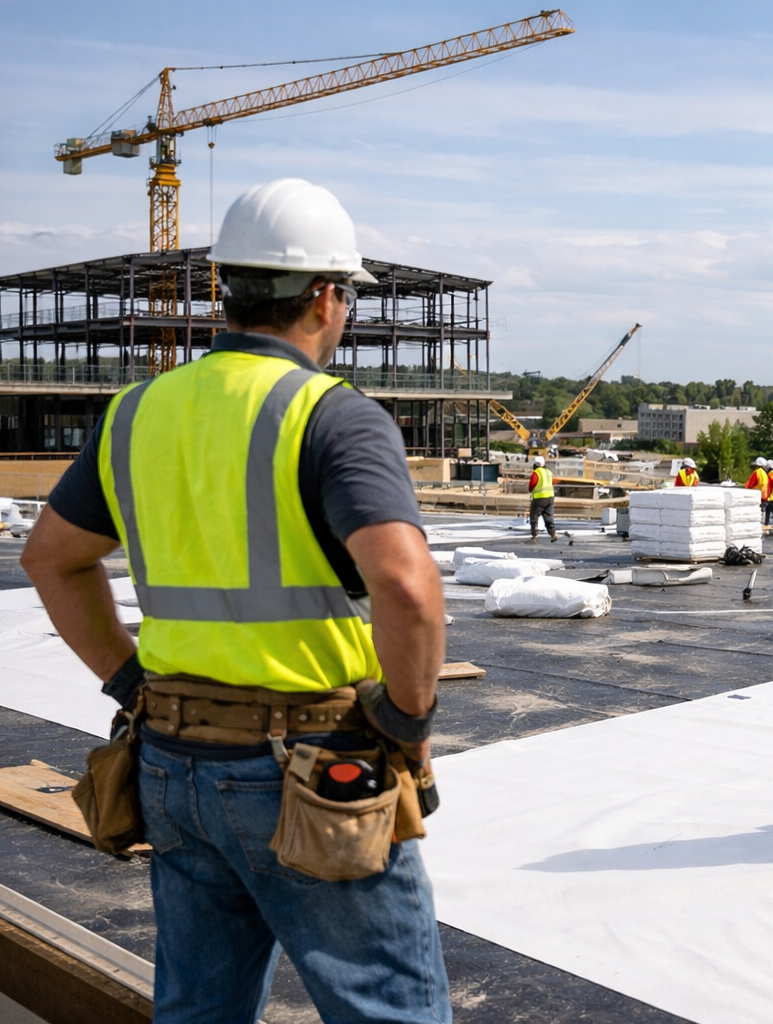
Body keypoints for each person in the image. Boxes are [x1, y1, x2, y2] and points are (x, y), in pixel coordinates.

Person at [21, 178, 453, 1020]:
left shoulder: (135, 412)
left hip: (173, 762)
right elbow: (406, 587)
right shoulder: (332, 414)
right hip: (310, 767)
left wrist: (127, 682)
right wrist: (406, 721)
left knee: (199, 1008)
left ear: (226, 291)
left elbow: (50, 560)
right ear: (328, 298)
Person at [528, 454, 557, 543]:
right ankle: (553, 534)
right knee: (548, 516)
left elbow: (532, 484)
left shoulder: (536, 473)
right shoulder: (548, 472)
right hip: (550, 497)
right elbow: (552, 482)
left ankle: (534, 535)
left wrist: (531, 490)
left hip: (539, 498)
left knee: (534, 516)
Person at [744, 457, 770, 522]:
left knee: (753, 516)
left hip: (756, 498)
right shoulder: (765, 474)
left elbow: (749, 485)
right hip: (765, 498)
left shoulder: (757, 472)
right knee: (759, 516)